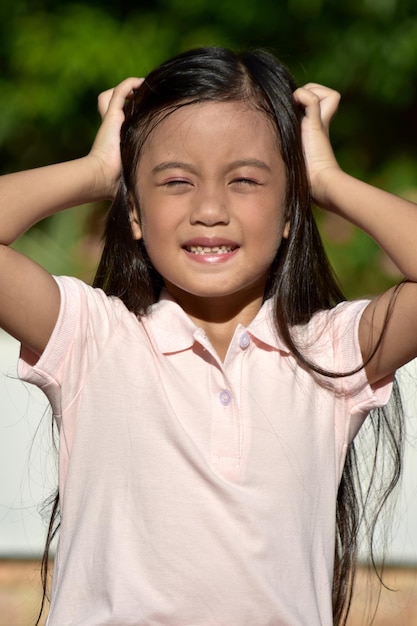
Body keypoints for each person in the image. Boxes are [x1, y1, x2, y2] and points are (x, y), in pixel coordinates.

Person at [0, 46, 415, 626]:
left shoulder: (329, 355)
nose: (211, 209)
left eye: (246, 179)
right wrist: (95, 172)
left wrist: (325, 179)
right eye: (175, 181)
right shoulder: (94, 339)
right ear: (135, 214)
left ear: (291, 208)